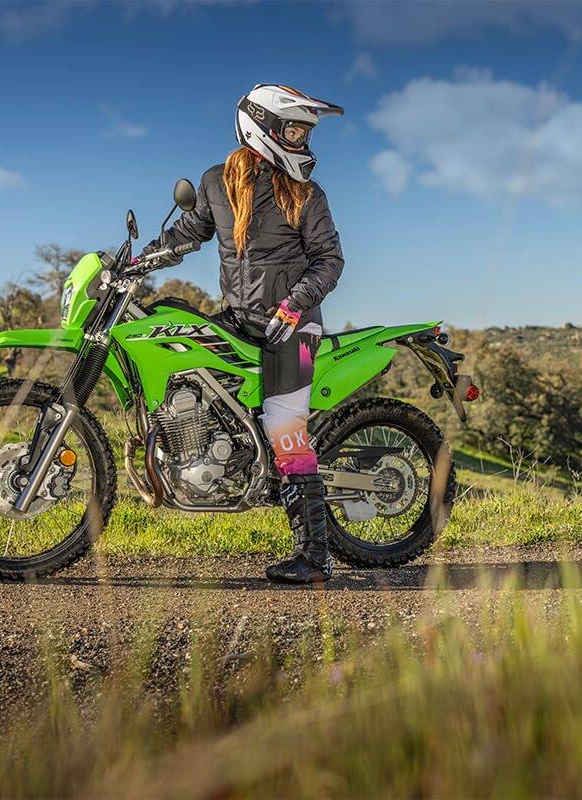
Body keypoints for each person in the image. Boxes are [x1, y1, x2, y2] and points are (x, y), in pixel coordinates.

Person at [139, 84, 345, 584]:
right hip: (238, 317)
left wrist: (295, 305)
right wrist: (138, 261)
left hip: (293, 325)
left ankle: (314, 557)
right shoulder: (217, 182)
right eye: (294, 129)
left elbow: (329, 261)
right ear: (265, 127)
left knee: (285, 427)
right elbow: (187, 233)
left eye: (303, 131)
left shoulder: (306, 193)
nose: (301, 140)